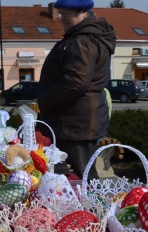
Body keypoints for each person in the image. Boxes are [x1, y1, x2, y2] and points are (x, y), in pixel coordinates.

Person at [37, 0, 116, 181]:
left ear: (84, 13)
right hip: (75, 121)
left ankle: (91, 208)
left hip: (74, 123)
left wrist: (45, 101)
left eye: (67, 13)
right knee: (73, 175)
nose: (62, 17)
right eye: (60, 13)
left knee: (80, 177)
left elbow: (75, 81)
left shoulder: (83, 39)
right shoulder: (82, 36)